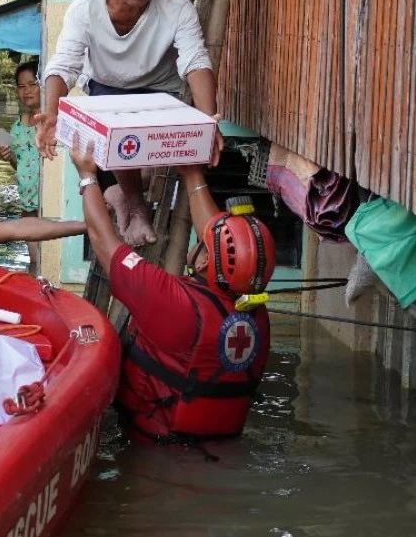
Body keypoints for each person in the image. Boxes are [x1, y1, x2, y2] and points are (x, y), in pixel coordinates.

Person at [68, 133, 274, 447]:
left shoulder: (176, 305)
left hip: (156, 452)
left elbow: (103, 242)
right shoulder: (256, 314)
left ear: (205, 260)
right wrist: (192, 174)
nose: (201, 237)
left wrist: (87, 177)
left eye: (204, 243)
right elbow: (220, 244)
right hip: (219, 446)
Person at [36, 0, 222, 247]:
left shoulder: (176, 6)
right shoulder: (85, 6)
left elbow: (195, 61)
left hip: (159, 89)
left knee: (150, 159)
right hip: (105, 87)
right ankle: (136, 208)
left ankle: (123, 193)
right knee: (122, 134)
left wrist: (208, 121)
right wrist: (51, 112)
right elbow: (64, 64)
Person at [0, 61, 42, 274]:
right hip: (27, 206)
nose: (27, 91)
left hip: (47, 204)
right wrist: (7, 155)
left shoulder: (52, 121)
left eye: (33, 84)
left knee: (46, 256)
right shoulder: (17, 125)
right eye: (22, 87)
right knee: (35, 262)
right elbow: (20, 164)